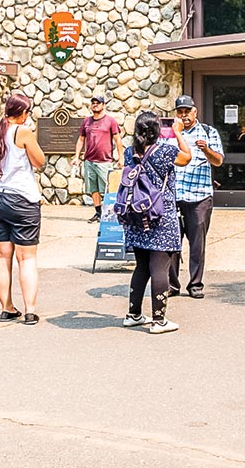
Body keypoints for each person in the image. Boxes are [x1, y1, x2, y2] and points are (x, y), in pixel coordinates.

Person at [119, 111, 193, 333]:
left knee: (142, 266)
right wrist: (178, 133)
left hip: (136, 215)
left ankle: (133, 314)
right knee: (160, 267)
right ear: (157, 130)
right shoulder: (165, 151)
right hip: (161, 214)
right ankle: (158, 320)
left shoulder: (129, 151)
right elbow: (186, 157)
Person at [0, 94, 48, 325]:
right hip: (22, 199)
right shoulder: (23, 132)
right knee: (26, 258)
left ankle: (6, 307)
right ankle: (30, 310)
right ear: (23, 113)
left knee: (2, 255)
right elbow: (40, 161)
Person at [169, 96, 222, 298]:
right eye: (180, 112)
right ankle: (172, 285)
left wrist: (206, 149)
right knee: (172, 243)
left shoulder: (208, 132)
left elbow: (218, 161)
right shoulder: (171, 134)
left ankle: (195, 285)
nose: (184, 116)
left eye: (187, 111)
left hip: (199, 196)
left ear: (195, 112)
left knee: (197, 244)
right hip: (174, 196)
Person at [75, 94, 123, 222]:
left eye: (98, 102)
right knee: (93, 189)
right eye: (93, 102)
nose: (95, 104)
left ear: (103, 105)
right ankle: (98, 212)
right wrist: (76, 156)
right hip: (89, 161)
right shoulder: (86, 121)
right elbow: (81, 140)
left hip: (104, 161)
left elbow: (117, 139)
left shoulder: (110, 121)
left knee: (108, 188)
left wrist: (120, 158)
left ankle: (112, 213)